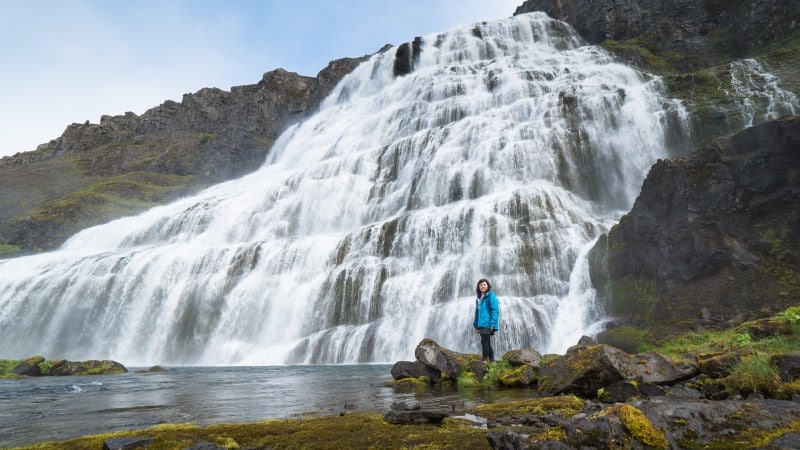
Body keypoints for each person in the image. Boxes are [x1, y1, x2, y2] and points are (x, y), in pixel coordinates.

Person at [472, 278, 499, 362]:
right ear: (478, 287)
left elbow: (495, 310)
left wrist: (492, 324)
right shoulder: (479, 298)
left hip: (487, 323)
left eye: (484, 284)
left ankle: (484, 359)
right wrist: (475, 324)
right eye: (481, 285)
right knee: (486, 341)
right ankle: (492, 360)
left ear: (487, 286)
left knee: (484, 342)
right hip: (481, 323)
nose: (482, 286)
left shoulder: (491, 296)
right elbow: (477, 313)